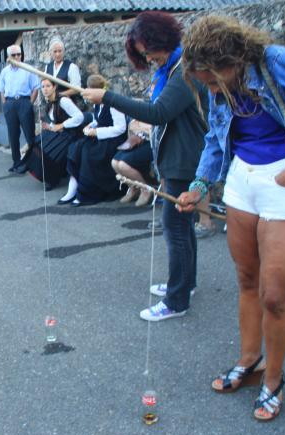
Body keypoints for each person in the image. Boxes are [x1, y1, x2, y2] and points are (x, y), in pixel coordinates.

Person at [177, 16, 285, 421]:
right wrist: (199, 184)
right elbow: (216, 138)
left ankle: (274, 379)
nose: (213, 91)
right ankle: (250, 362)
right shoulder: (218, 81)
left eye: (214, 82)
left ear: (232, 61)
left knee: (274, 295)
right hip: (241, 181)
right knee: (247, 280)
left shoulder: (279, 62)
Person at [82, 11, 208, 322]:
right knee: (183, 228)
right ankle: (185, 283)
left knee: (175, 229)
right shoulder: (173, 70)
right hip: (177, 159)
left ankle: (176, 300)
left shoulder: (184, 72)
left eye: (149, 51)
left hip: (183, 162)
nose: (149, 59)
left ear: (162, 40)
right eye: (144, 54)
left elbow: (158, 113)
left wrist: (107, 96)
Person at [61, 74, 127, 207]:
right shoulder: (97, 103)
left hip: (112, 140)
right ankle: (72, 188)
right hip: (100, 137)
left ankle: (85, 193)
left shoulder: (112, 104)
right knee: (76, 148)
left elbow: (120, 128)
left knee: (88, 153)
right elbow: (98, 120)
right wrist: (90, 126)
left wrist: (97, 132)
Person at [22, 78, 84, 190]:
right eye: (43, 87)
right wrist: (49, 126)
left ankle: (52, 179)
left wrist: (61, 126)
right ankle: (28, 166)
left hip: (71, 134)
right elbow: (55, 120)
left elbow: (79, 117)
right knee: (36, 142)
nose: (45, 89)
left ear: (54, 87)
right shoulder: (49, 102)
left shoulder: (63, 100)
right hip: (60, 132)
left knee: (50, 150)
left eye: (48, 86)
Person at [0, 44, 40, 174]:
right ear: (8, 57)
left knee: (29, 134)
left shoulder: (28, 69)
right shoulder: (5, 71)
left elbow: (36, 87)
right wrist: (5, 103)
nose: (17, 57)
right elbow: (1, 89)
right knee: (13, 135)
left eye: (19, 54)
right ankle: (16, 162)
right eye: (13, 55)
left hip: (24, 101)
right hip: (10, 103)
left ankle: (31, 162)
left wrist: (29, 103)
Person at [111, 119, 154, 206]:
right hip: (135, 139)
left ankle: (145, 189)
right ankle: (133, 187)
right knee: (114, 162)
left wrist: (142, 127)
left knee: (123, 165)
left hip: (151, 143)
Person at [45, 39, 82, 103]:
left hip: (68, 103)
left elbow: (77, 89)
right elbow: (45, 84)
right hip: (52, 104)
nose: (57, 54)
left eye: (60, 51)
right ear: (50, 53)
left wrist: (59, 95)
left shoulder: (71, 67)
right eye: (55, 51)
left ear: (64, 52)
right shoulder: (48, 67)